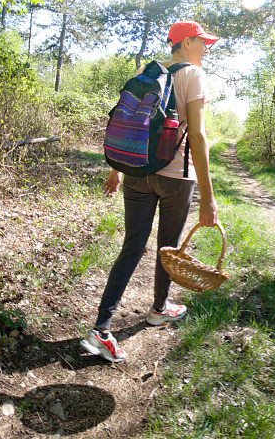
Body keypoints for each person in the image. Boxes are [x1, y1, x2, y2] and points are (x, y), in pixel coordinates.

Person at [80, 20, 220, 363]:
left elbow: (132, 124)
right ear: (185, 43)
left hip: (137, 172)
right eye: (202, 42)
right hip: (175, 176)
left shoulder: (148, 72)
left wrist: (117, 169)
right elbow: (198, 137)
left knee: (132, 246)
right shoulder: (193, 76)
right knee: (168, 247)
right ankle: (158, 309)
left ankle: (101, 327)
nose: (206, 48)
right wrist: (209, 197)